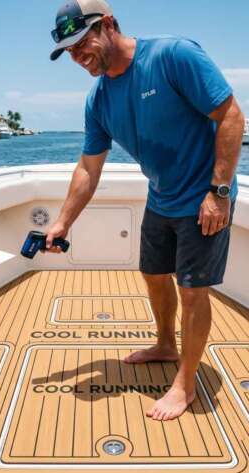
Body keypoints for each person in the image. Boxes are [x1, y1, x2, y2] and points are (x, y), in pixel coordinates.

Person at [47, 0, 244, 420]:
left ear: (110, 25)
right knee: (154, 276)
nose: (79, 58)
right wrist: (62, 222)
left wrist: (220, 192)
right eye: (71, 53)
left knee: (193, 291)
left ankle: (186, 381)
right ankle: (166, 344)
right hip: (161, 197)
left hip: (204, 196)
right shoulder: (98, 99)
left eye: (83, 44)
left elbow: (231, 116)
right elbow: (88, 168)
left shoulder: (173, 56)